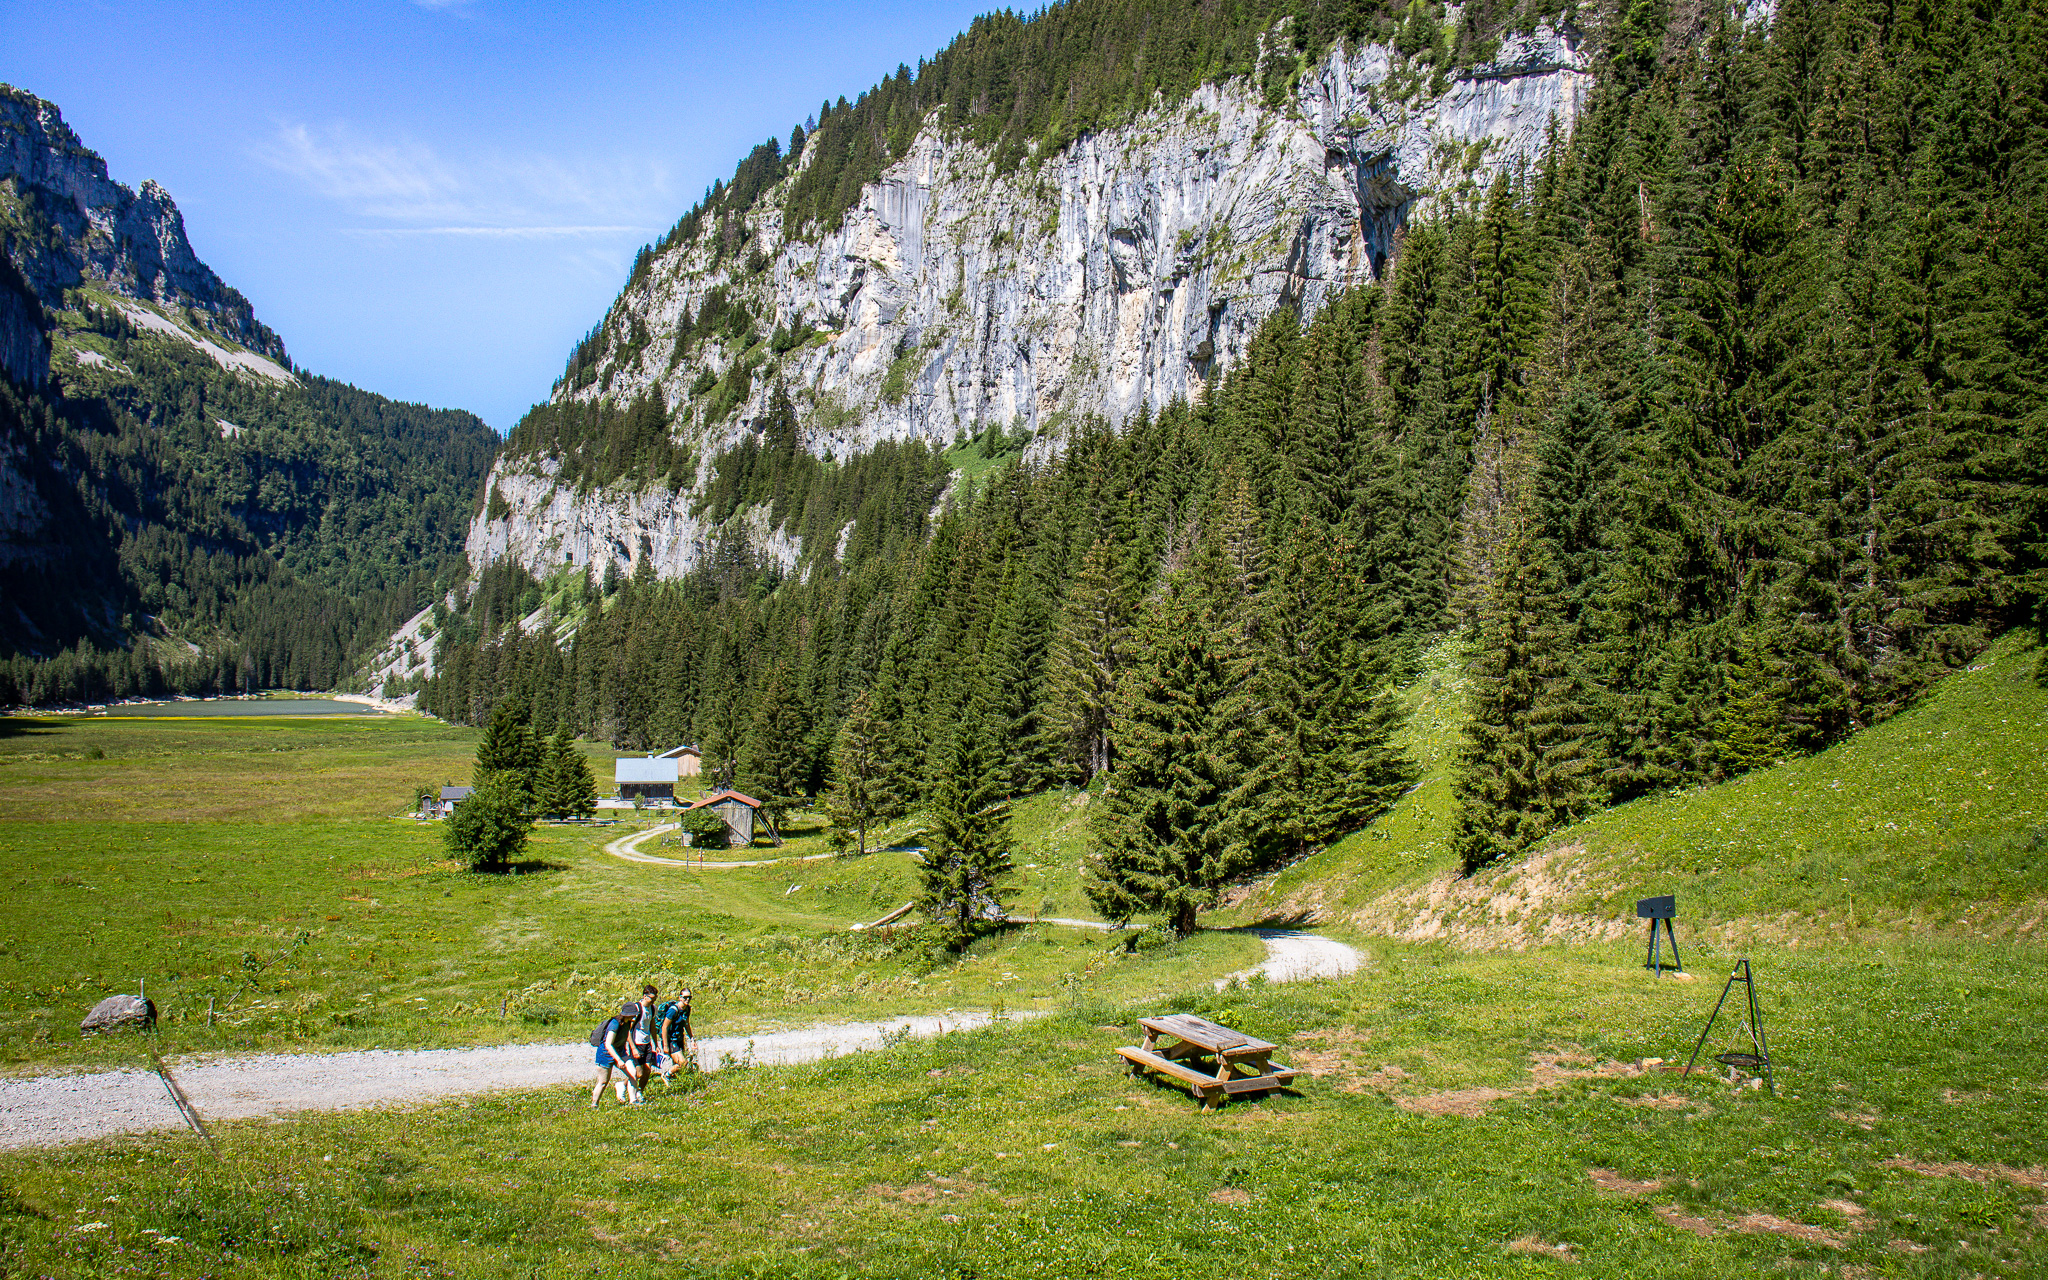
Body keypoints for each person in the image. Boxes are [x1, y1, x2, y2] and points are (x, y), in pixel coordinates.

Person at [591, 1002, 645, 1108]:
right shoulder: (615, 1024)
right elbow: (608, 1044)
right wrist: (619, 1060)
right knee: (603, 1081)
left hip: (620, 1051)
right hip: (606, 1054)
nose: (635, 1016)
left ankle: (633, 1101)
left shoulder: (628, 1022)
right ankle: (594, 1104)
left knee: (633, 1073)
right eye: (633, 1014)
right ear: (626, 1014)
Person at [653, 988, 692, 1083]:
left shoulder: (687, 1009)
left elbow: (686, 1023)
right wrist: (665, 1046)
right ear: (680, 997)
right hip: (671, 1040)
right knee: (682, 1063)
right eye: (685, 997)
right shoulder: (673, 1010)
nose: (687, 999)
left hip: (679, 1038)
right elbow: (664, 1027)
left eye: (689, 997)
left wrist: (692, 1038)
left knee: (678, 1063)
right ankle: (666, 1075)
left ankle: (675, 1082)